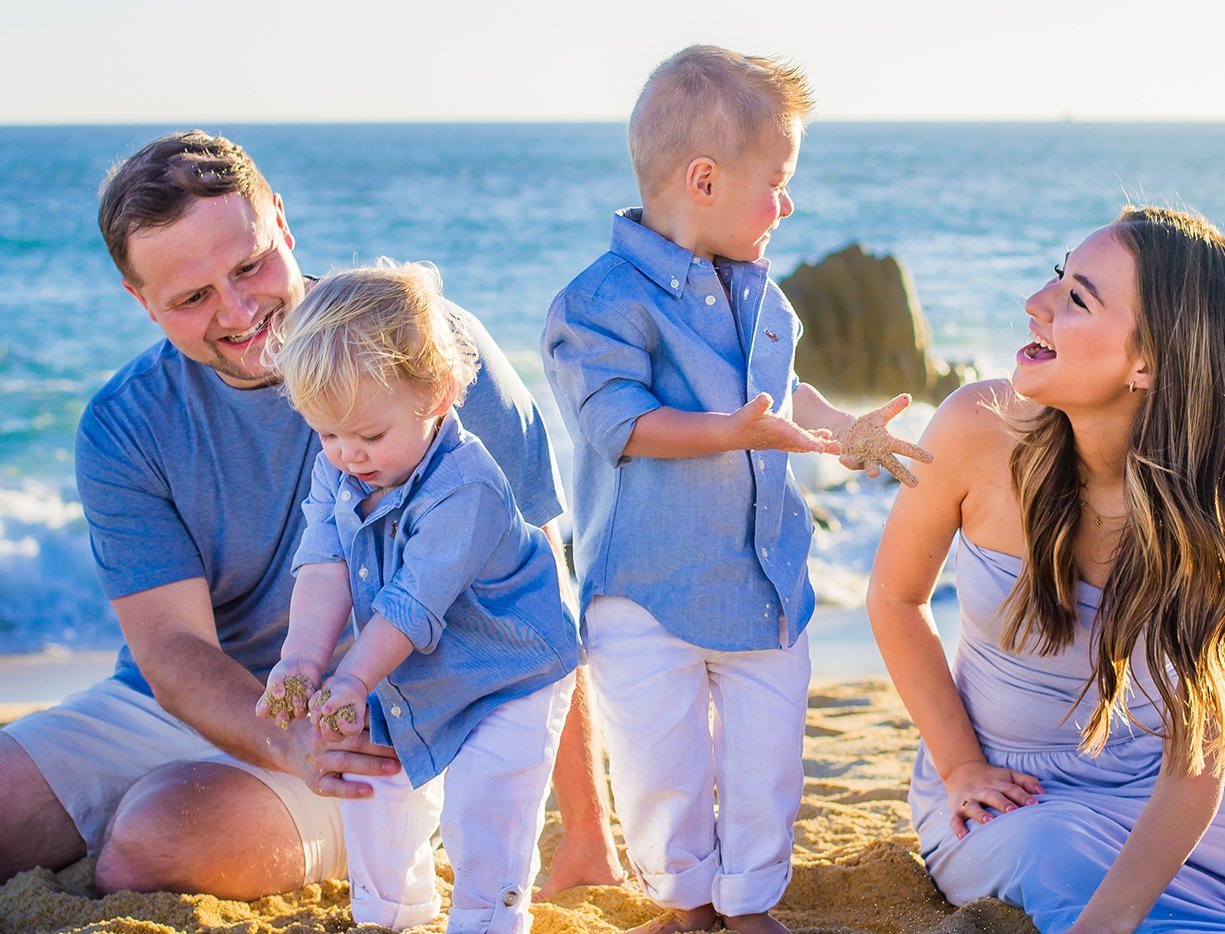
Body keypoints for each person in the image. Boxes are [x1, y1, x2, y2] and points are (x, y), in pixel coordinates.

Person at [0, 130, 623, 900]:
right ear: (140, 300)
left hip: (375, 716)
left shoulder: (425, 352)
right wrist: (275, 735)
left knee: (153, 842)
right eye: (192, 298)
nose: (237, 312)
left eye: (250, 265)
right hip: (191, 707)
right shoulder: (123, 423)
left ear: (283, 225)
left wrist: (589, 831)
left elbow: (538, 591)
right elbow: (170, 650)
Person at [866, 205, 1225, 933]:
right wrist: (960, 766)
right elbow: (896, 598)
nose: (1037, 304)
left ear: (1147, 361)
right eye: (1060, 277)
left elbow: (1197, 763)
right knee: (1053, 858)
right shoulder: (974, 426)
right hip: (1011, 789)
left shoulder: (1217, 512)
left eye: (1077, 298)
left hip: (1168, 781)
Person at [542, 45, 931, 934]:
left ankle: (749, 899)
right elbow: (622, 424)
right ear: (704, 180)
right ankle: (685, 903)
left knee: (768, 764)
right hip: (645, 590)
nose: (788, 204)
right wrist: (732, 431)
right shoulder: (597, 302)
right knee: (662, 766)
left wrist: (842, 430)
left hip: (762, 582)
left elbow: (780, 392)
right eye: (778, 182)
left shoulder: (763, 294)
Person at [256, 262, 578, 931]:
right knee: (374, 785)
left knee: (483, 809)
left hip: (510, 668)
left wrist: (351, 677)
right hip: (411, 666)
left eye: (369, 435)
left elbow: (410, 602)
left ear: (435, 395)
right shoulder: (340, 467)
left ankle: (487, 921)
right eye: (327, 434)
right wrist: (301, 663)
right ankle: (390, 918)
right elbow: (323, 566)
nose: (347, 455)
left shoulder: (467, 486)